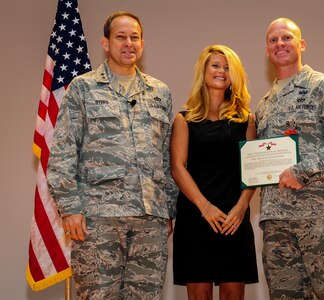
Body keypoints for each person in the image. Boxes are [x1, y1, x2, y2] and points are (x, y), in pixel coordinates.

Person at [47, 11, 177, 299]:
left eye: (134, 37)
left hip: (150, 218)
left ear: (142, 44)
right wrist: (70, 208)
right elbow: (63, 152)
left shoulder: (160, 92)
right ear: (106, 43)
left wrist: (168, 209)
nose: (128, 43)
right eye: (120, 37)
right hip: (98, 218)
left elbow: (165, 158)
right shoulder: (83, 87)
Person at [256, 18, 324, 300]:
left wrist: (302, 171)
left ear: (301, 44)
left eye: (287, 38)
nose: (280, 44)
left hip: (322, 220)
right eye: (273, 40)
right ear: (267, 50)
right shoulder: (264, 103)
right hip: (277, 224)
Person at [171, 44, 259, 299]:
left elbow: (252, 169)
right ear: (204, 71)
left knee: (233, 293)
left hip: (234, 217)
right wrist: (205, 207)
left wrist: (242, 208)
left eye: (228, 67)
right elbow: (177, 168)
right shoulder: (184, 119)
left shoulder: (246, 120)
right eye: (216, 65)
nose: (221, 71)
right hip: (196, 216)